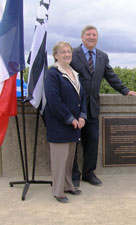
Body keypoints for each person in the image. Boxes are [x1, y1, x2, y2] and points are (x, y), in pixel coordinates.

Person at [71, 25, 136, 187]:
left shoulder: (102, 56)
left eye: (94, 35)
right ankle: (74, 175)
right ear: (82, 37)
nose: (91, 37)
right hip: (74, 107)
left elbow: (111, 76)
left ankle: (88, 174)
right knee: (73, 143)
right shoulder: (72, 54)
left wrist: (125, 91)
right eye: (88, 35)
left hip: (93, 108)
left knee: (92, 142)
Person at [44, 41, 87, 203]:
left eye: (69, 51)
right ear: (56, 55)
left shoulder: (73, 73)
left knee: (69, 160)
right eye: (63, 52)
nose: (67, 54)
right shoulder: (53, 74)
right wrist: (70, 119)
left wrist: (82, 116)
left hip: (75, 124)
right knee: (59, 160)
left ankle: (68, 186)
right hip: (60, 125)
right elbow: (54, 101)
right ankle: (58, 191)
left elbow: (81, 97)